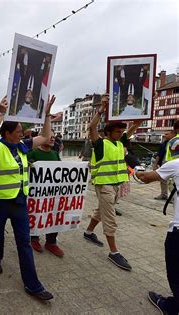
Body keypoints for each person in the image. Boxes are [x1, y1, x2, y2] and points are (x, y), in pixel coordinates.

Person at [0, 95, 56, 301]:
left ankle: (33, 285)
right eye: (17, 131)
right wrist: (0, 113)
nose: (22, 133)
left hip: (19, 202)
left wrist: (47, 115)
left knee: (24, 242)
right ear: (8, 134)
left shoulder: (23, 146)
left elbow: (45, 136)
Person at [83, 94, 143, 271]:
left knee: (101, 211)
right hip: (104, 185)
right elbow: (92, 127)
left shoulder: (119, 142)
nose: (121, 133)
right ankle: (114, 253)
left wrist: (147, 101)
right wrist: (101, 109)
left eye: (121, 131)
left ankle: (88, 232)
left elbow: (137, 124)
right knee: (110, 217)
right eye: (117, 131)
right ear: (108, 132)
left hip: (117, 185)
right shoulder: (100, 144)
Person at [136, 142, 179, 315]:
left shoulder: (176, 164)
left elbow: (145, 178)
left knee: (176, 271)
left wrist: (136, 170)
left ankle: (172, 307)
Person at [28, 129, 64, 257]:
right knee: (37, 214)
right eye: (50, 136)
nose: (53, 139)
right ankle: (34, 238)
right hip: (37, 193)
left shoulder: (55, 154)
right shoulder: (33, 153)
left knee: (53, 216)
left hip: (53, 193)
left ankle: (51, 242)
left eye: (54, 137)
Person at [153, 130, 176, 200]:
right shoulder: (164, 143)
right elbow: (159, 154)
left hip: (173, 164)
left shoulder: (175, 143)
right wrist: (155, 164)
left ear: (173, 134)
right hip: (164, 163)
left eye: (166, 134)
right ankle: (164, 194)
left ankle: (174, 197)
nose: (164, 135)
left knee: (173, 181)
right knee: (162, 179)